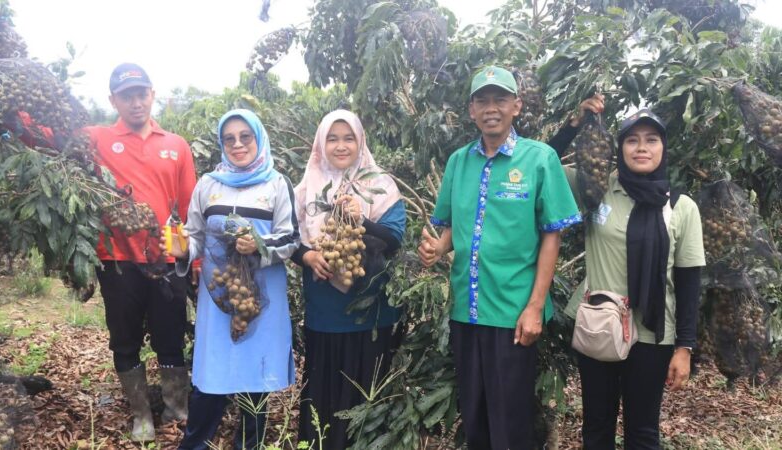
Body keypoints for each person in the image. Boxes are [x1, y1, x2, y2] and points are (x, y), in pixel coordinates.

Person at [418, 65, 581, 449]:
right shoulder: (459, 161)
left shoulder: (539, 159)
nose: (492, 108)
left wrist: (534, 307)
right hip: (466, 312)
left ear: (516, 106)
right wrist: (438, 248)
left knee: (510, 422)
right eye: (483, 100)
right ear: (472, 110)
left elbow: (551, 236)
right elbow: (452, 228)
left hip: (513, 313)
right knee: (475, 416)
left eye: (500, 99)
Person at [560, 109, 705, 449]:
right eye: (632, 140)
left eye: (651, 140)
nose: (642, 148)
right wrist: (574, 124)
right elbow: (544, 164)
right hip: (601, 325)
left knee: (642, 432)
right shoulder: (598, 188)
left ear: (663, 148)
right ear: (620, 148)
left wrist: (685, 348)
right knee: (597, 427)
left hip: (654, 334)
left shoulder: (682, 206)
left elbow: (688, 283)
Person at [167, 109, 299, 450]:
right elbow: (194, 235)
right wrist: (183, 248)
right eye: (229, 139)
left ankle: (248, 445)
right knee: (213, 374)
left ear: (258, 138)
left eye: (245, 137)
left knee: (254, 377)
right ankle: (195, 443)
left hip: (262, 299)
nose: (238, 144)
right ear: (222, 144)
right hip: (219, 299)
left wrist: (259, 243)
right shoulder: (208, 185)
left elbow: (290, 239)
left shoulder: (276, 183)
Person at [86, 63, 197, 442]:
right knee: (125, 336)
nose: (136, 102)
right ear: (113, 100)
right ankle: (141, 415)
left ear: (152, 94)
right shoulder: (98, 138)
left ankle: (176, 407)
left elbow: (190, 207)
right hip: (117, 259)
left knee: (170, 334)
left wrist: (193, 260)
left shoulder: (175, 145)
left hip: (165, 258)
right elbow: (48, 135)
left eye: (141, 93)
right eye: (127, 95)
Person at [292, 109, 406, 450]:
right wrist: (308, 256)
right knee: (325, 388)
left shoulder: (381, 185)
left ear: (360, 142)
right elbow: (288, 240)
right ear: (320, 143)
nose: (341, 146)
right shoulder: (307, 188)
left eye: (348, 138)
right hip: (324, 312)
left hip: (372, 312)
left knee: (367, 387)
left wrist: (363, 221)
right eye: (332, 138)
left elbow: (395, 239)